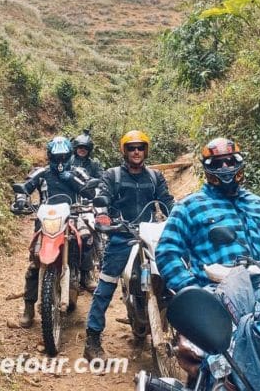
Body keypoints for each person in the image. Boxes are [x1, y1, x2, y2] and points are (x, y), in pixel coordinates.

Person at [83, 130, 175, 361]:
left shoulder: (155, 177)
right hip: (121, 235)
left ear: (146, 150)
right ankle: (92, 340)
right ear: (124, 151)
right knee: (105, 286)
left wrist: (179, 217)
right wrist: (102, 217)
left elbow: (167, 202)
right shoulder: (112, 175)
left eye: (140, 147)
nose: (136, 152)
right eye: (132, 148)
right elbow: (102, 200)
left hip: (150, 235)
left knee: (172, 278)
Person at [155, 137, 260, 293]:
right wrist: (192, 290)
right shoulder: (189, 207)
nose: (225, 167)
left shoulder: (258, 203)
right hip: (221, 295)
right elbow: (166, 252)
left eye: (230, 161)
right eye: (217, 163)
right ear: (207, 168)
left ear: (239, 163)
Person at [12, 136, 92, 328]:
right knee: (34, 264)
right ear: (50, 157)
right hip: (45, 221)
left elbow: (90, 191)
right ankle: (28, 310)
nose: (61, 161)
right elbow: (25, 187)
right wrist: (21, 199)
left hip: (72, 217)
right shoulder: (41, 173)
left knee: (87, 238)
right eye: (57, 157)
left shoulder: (77, 171)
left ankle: (85, 276)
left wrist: (72, 180)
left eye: (64, 156)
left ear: (70, 155)